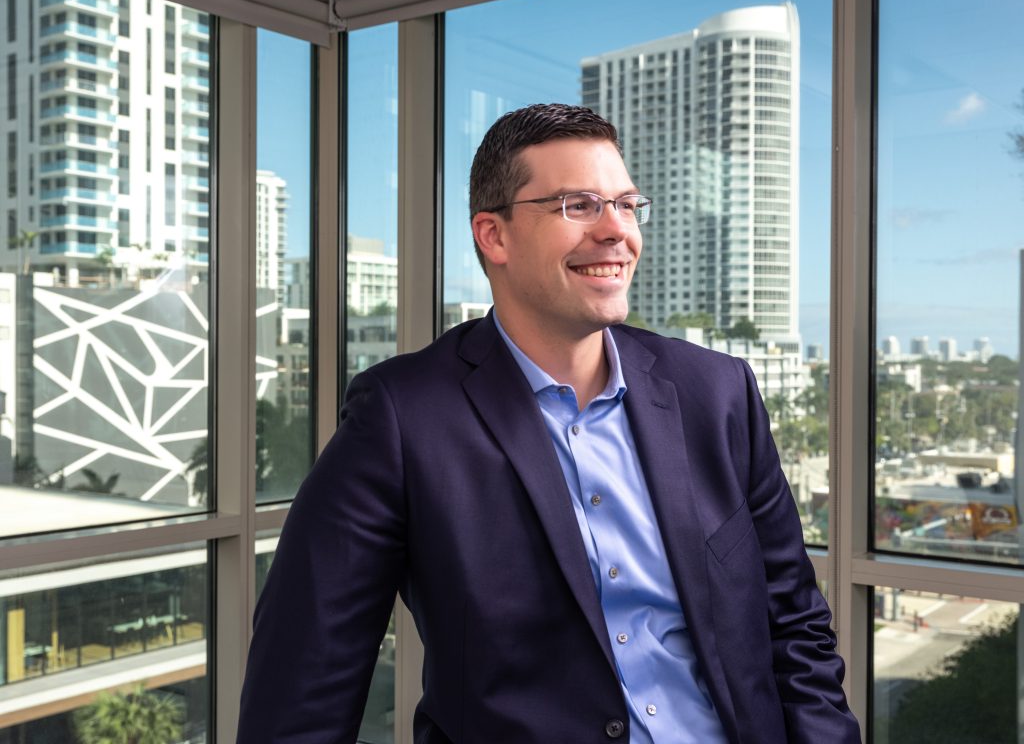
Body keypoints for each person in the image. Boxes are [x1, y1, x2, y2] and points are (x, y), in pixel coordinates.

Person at [237, 103, 861, 743]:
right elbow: (302, 682)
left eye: (626, 204)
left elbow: (793, 622)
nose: (617, 230)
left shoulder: (717, 391)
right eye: (578, 205)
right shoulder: (401, 418)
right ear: (494, 236)